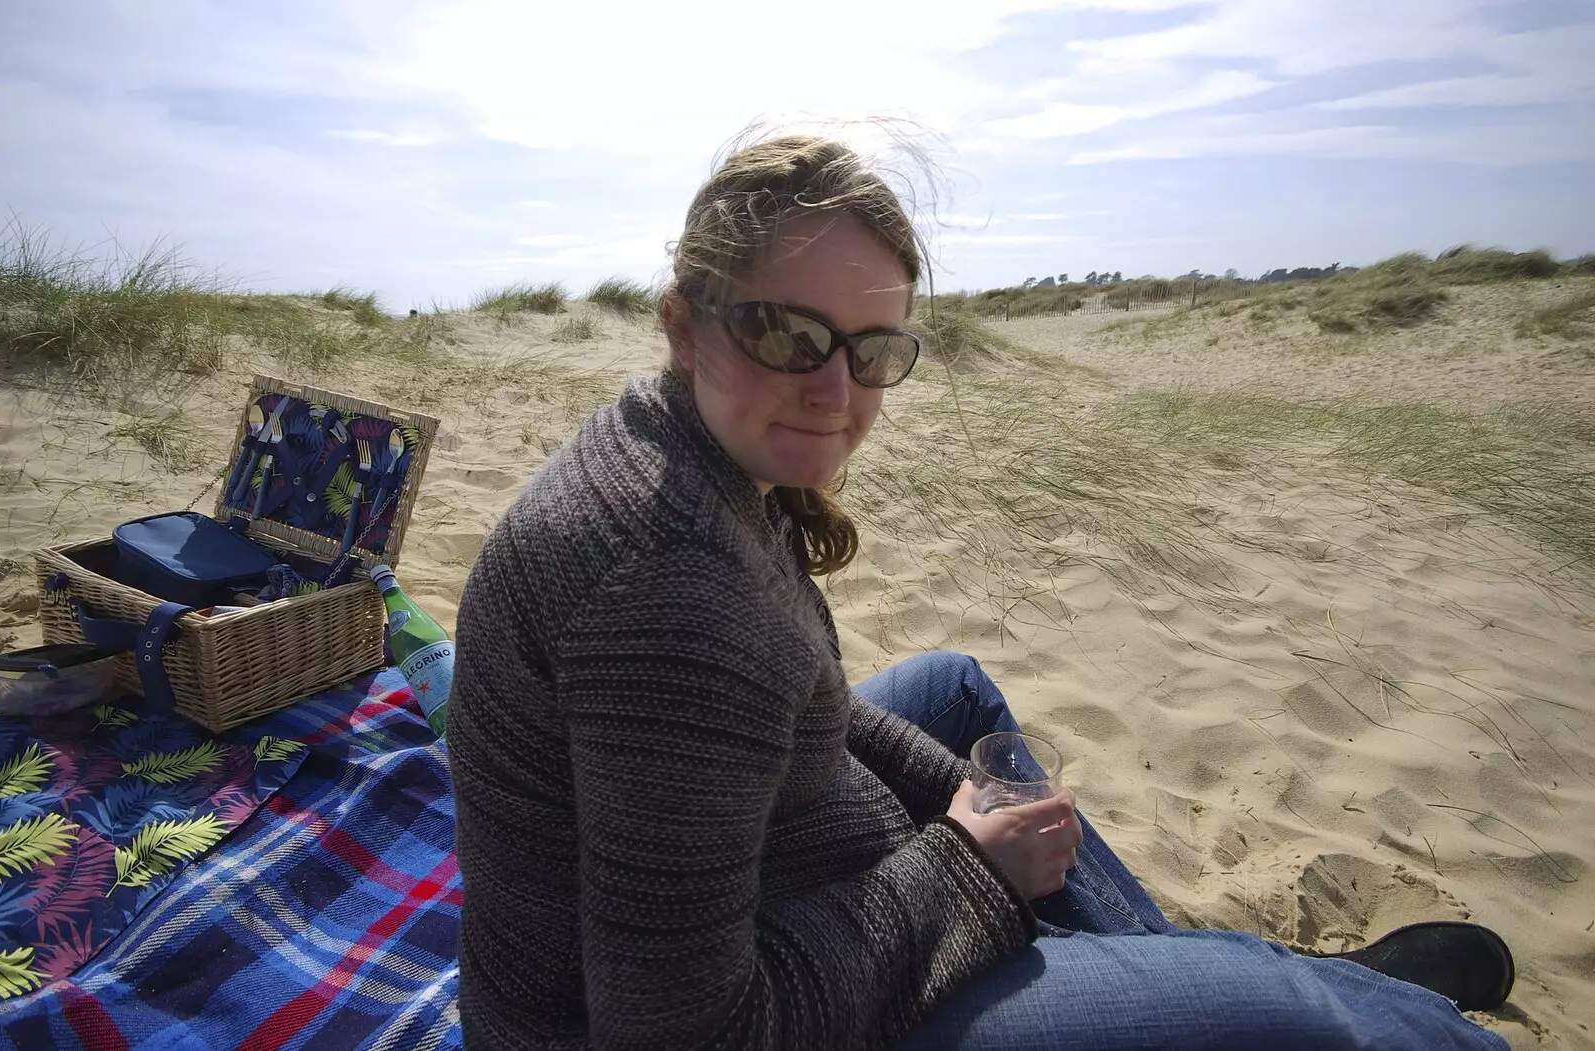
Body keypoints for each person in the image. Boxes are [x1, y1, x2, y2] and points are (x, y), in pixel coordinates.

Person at [448, 133, 1514, 1050]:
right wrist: (967, 865)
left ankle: (1168, 971)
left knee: (949, 690)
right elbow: (686, 1035)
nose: (834, 391)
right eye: (786, 335)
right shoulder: (672, 593)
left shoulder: (697, 449)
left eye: (873, 351)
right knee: (1319, 1018)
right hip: (604, 1020)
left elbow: (810, 703)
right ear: (684, 323)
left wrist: (980, 820)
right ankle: (1307, 996)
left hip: (727, 874)